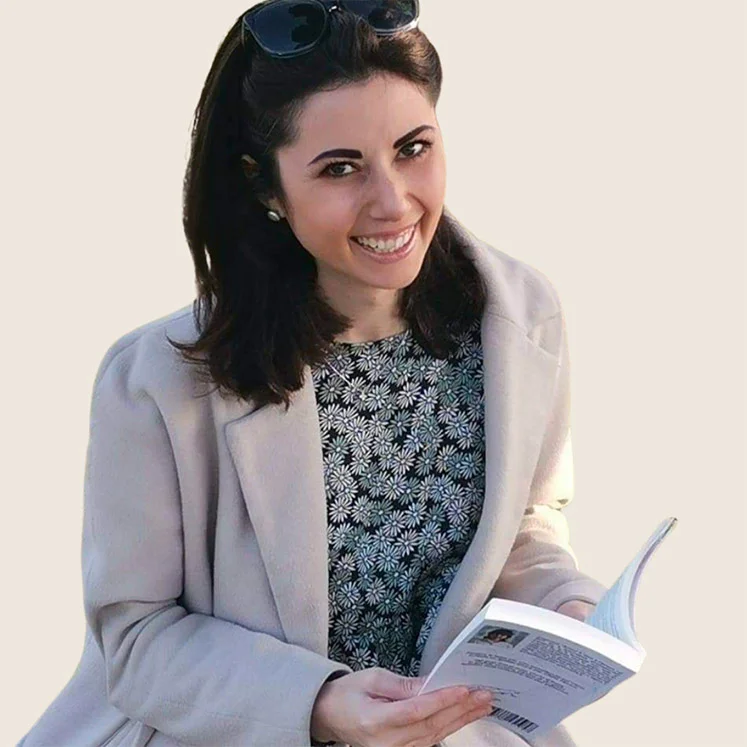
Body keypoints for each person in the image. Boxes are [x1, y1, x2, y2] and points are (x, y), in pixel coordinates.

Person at [18, 2, 607, 746]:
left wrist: (564, 606)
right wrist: (318, 702)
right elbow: (135, 640)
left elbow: (522, 521)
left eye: (413, 149)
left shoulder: (519, 319)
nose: (392, 201)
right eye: (340, 168)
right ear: (266, 187)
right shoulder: (156, 381)